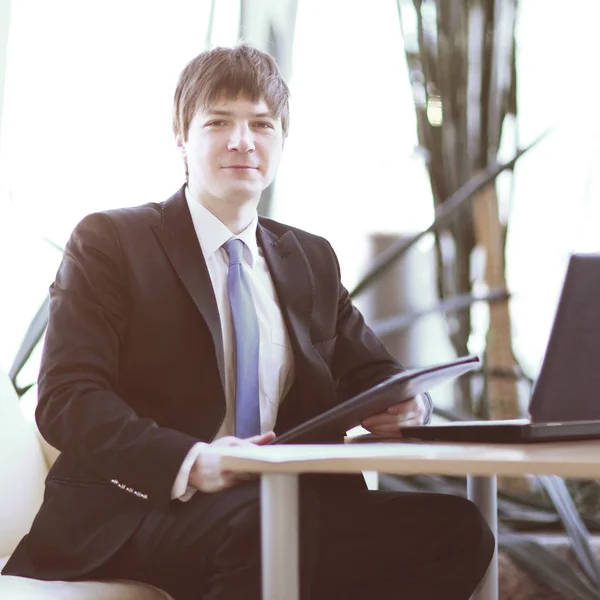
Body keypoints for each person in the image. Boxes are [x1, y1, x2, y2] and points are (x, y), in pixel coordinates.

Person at [2, 44, 494, 599]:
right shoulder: (112, 242)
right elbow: (67, 398)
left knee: (457, 530)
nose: (243, 141)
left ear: (283, 140)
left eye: (262, 124)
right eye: (219, 122)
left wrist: (407, 405)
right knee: (264, 528)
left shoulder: (309, 259)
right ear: (182, 139)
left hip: (282, 503)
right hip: (141, 507)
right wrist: (191, 461)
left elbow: (372, 374)